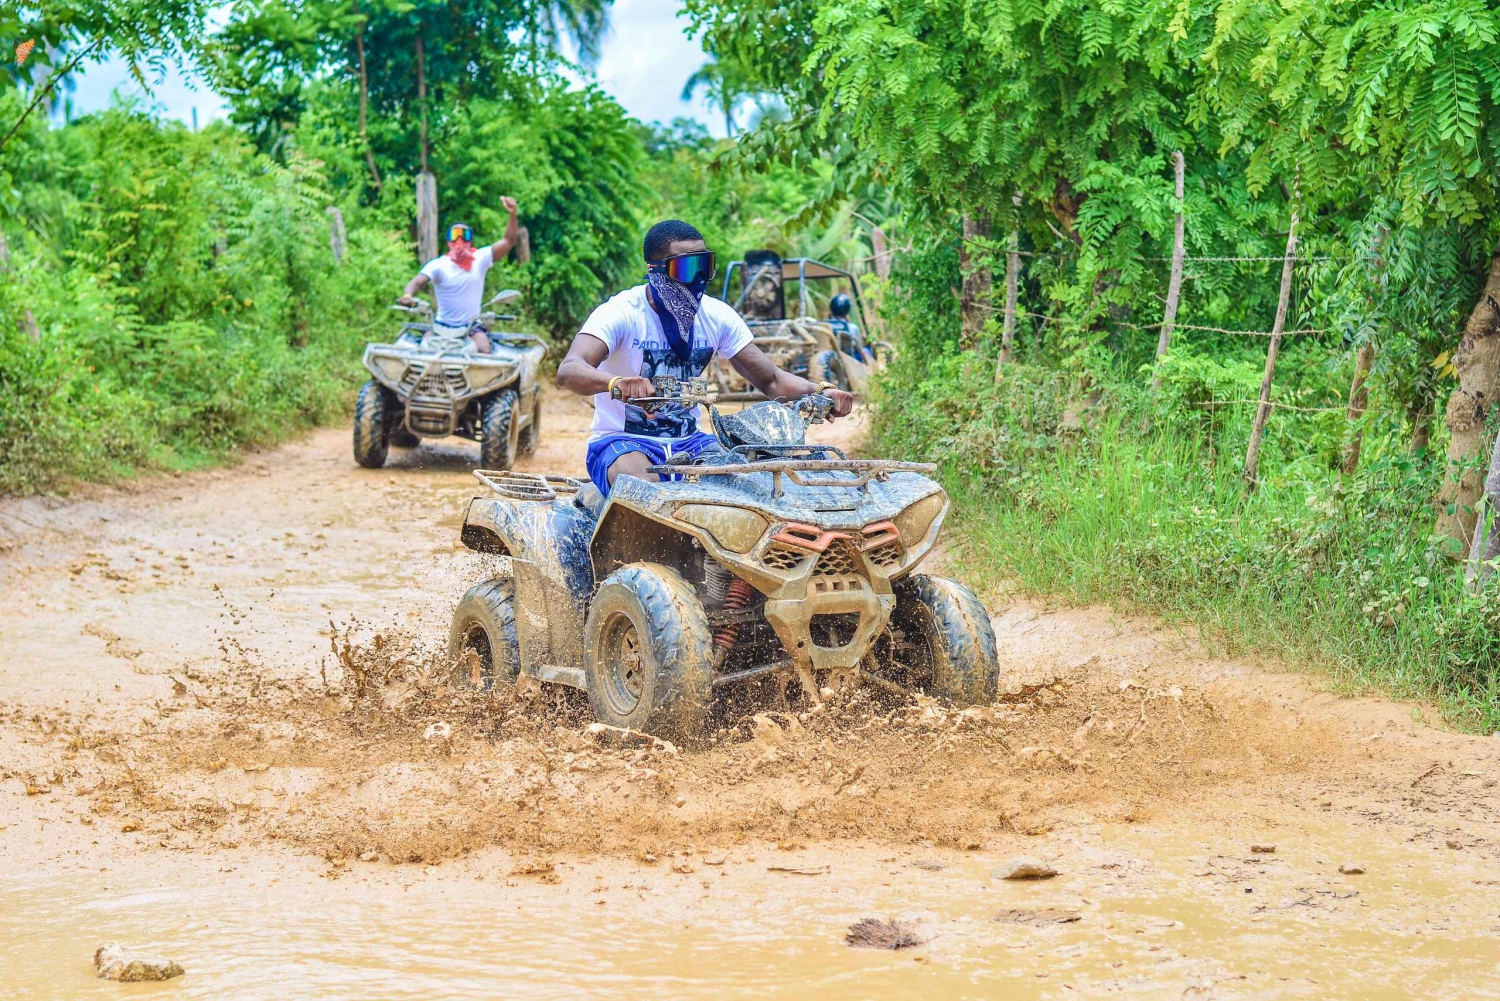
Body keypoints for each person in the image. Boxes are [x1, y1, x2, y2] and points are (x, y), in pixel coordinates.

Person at [556, 219, 856, 496]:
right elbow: (570, 370)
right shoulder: (621, 312)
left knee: (747, 491)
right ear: (656, 270)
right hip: (621, 443)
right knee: (645, 494)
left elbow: (772, 379)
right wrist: (615, 382)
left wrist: (822, 390)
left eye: (706, 266)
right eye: (687, 269)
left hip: (693, 442)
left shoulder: (717, 316)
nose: (699, 278)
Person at [397, 197, 519, 353]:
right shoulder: (439, 265)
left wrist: (512, 213)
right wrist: (407, 295)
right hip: (441, 327)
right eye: (454, 236)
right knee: (421, 351)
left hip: (470, 327)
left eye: (465, 236)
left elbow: (509, 241)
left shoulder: (480, 259)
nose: (459, 242)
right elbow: (417, 282)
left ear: (471, 242)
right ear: (448, 242)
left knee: (484, 348)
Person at [827, 292, 872, 362]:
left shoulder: (822, 325)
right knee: (866, 350)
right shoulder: (852, 328)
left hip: (827, 357)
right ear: (847, 310)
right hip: (847, 359)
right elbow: (859, 347)